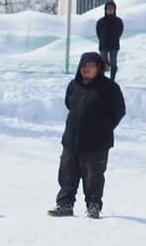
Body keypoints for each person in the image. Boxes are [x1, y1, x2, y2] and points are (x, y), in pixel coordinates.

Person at [49, 51, 125, 219]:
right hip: (71, 139)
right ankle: (65, 204)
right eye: (83, 65)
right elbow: (69, 104)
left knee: (94, 177)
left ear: (99, 67)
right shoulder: (74, 85)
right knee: (67, 174)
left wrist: (103, 128)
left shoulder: (110, 88)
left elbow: (119, 111)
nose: (86, 68)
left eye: (90, 65)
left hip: (96, 142)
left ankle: (93, 206)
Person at [95, 1, 123, 81]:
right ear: (105, 10)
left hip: (114, 45)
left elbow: (120, 31)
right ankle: (102, 79)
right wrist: (102, 39)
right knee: (102, 63)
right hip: (103, 45)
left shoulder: (118, 21)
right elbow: (98, 32)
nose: (110, 10)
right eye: (108, 9)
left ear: (114, 10)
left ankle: (112, 80)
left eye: (112, 9)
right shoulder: (101, 21)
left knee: (113, 63)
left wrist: (115, 37)